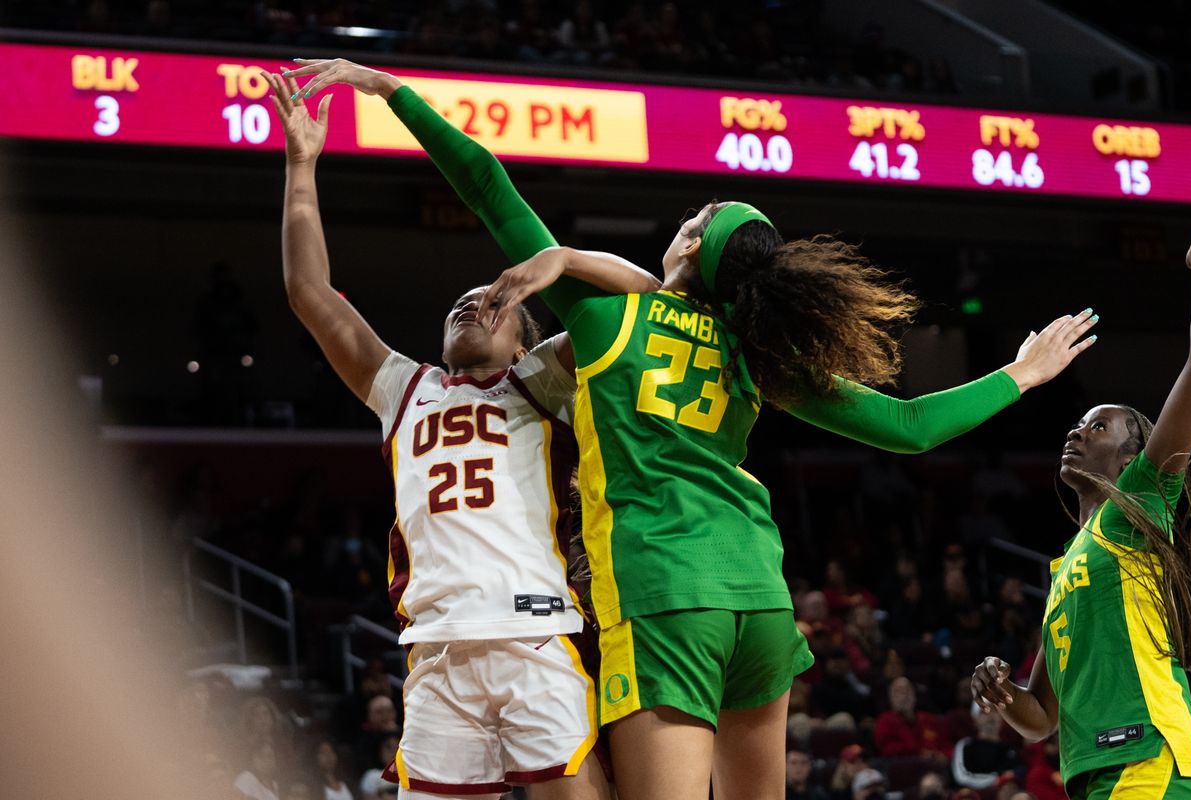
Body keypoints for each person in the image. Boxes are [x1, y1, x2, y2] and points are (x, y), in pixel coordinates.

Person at [281, 57, 1100, 800]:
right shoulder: (756, 348)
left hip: (664, 591)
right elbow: (910, 426)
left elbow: (489, 185)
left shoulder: (604, 320)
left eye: (697, 213)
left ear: (692, 243)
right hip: (761, 597)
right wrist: (1019, 374)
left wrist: (391, 92)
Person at [262, 69, 660, 800]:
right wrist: (300, 166)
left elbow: (650, 299)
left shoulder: (541, 383)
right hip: (436, 649)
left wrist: (561, 263)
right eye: (460, 303)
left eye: (492, 303)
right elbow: (309, 294)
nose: (469, 306)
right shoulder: (401, 386)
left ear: (522, 343)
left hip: (532, 636)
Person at [970, 232, 1191, 798]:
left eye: (1099, 426)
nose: (1076, 430)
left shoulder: (1138, 505)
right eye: (1078, 424)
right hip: (1094, 773)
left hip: (1149, 758)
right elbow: (1042, 719)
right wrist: (1002, 692)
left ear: (1131, 458)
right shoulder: (1067, 566)